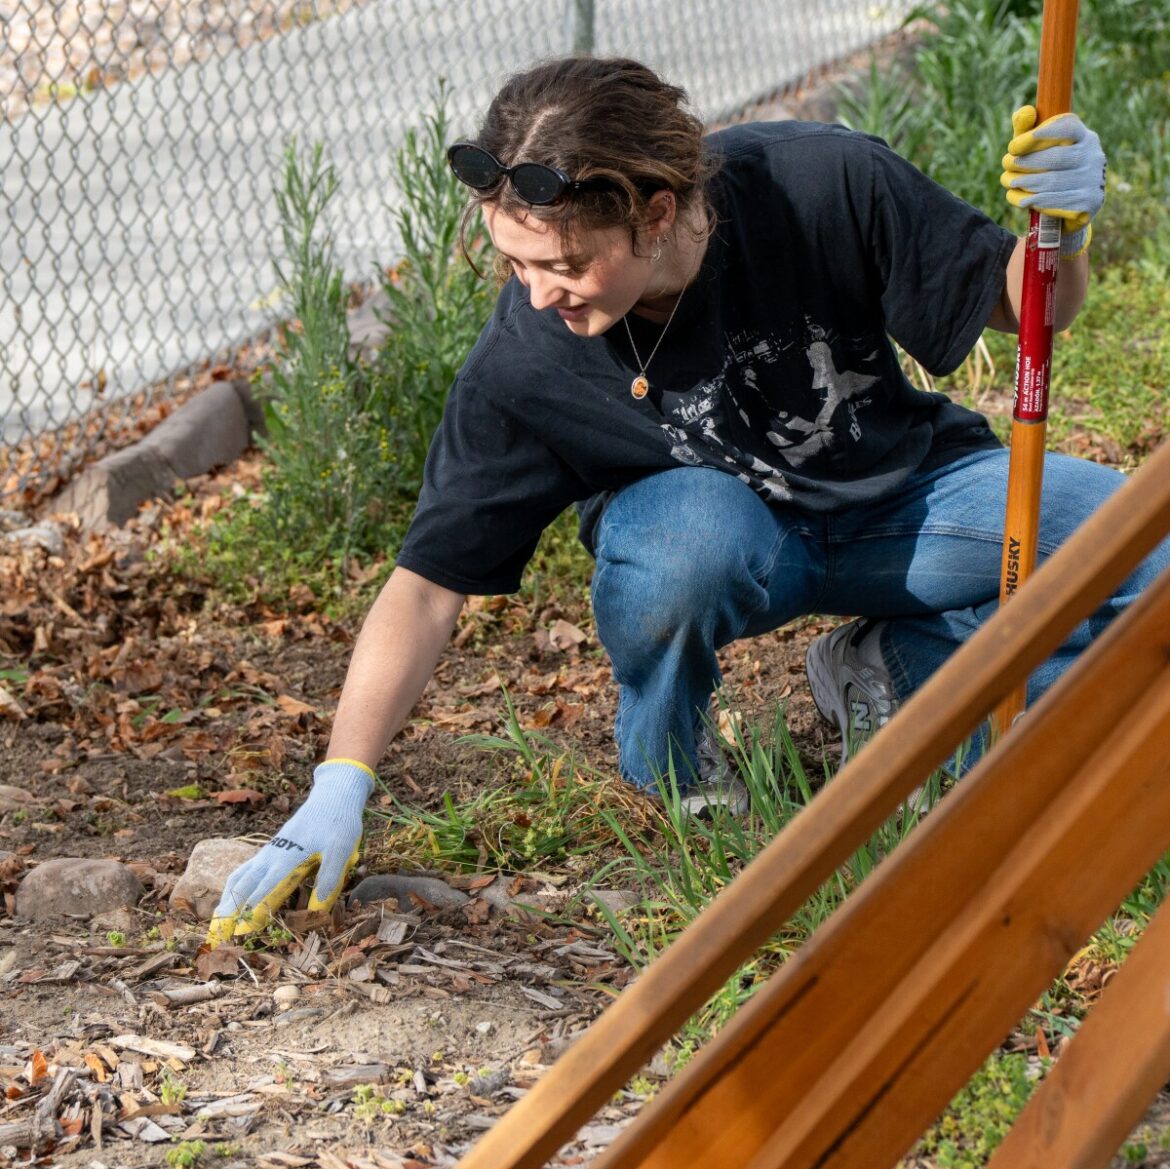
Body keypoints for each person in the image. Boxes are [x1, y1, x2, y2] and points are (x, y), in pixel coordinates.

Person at [206, 54, 1144, 946]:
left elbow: (1031, 314)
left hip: (902, 496)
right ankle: (674, 767)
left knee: (1150, 553)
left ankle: (900, 675)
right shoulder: (526, 361)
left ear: (656, 215)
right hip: (717, 539)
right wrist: (342, 780)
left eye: (565, 267)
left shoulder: (820, 182)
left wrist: (1057, 232)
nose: (537, 297)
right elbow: (425, 586)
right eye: (515, 265)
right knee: (688, 548)